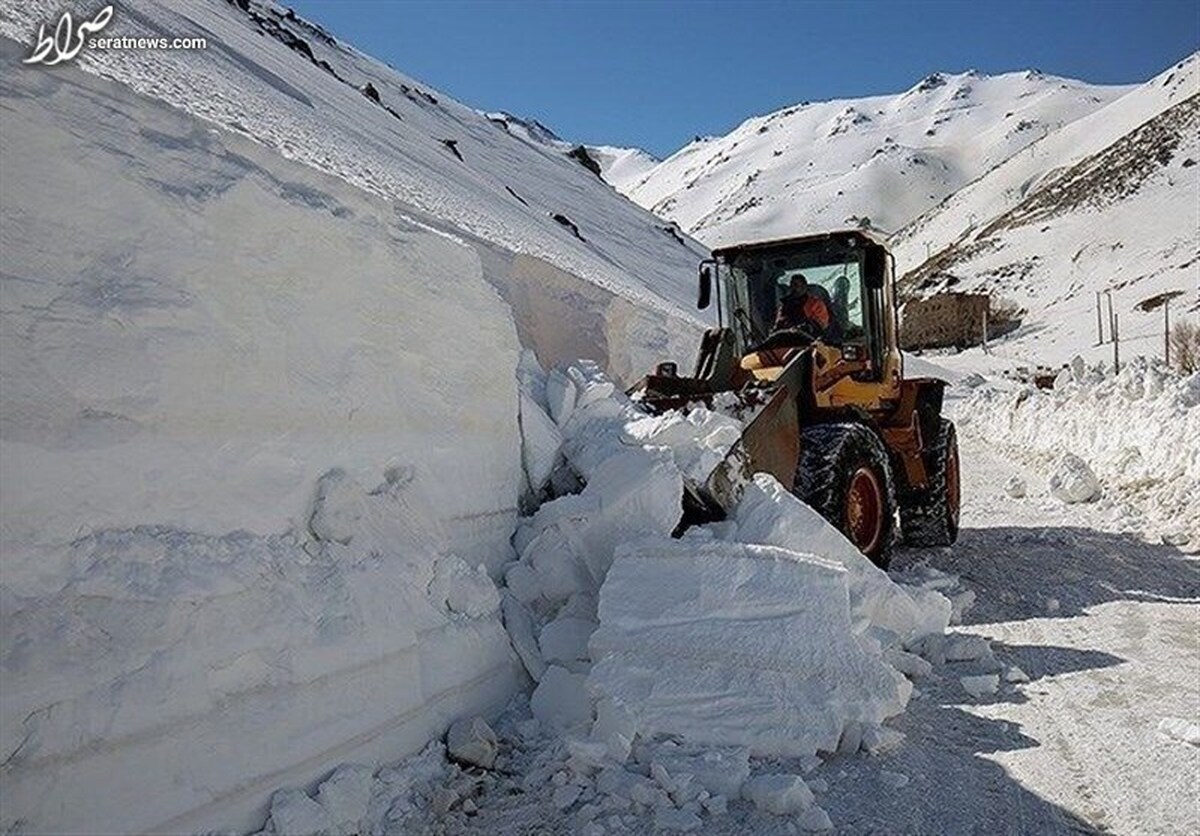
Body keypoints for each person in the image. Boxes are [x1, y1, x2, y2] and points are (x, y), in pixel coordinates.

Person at [773, 274, 836, 339]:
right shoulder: (785, 305)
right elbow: (779, 324)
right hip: (787, 341)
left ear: (805, 287)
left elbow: (822, 325)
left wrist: (807, 327)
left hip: (812, 342)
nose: (794, 288)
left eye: (797, 285)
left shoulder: (816, 303)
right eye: (792, 286)